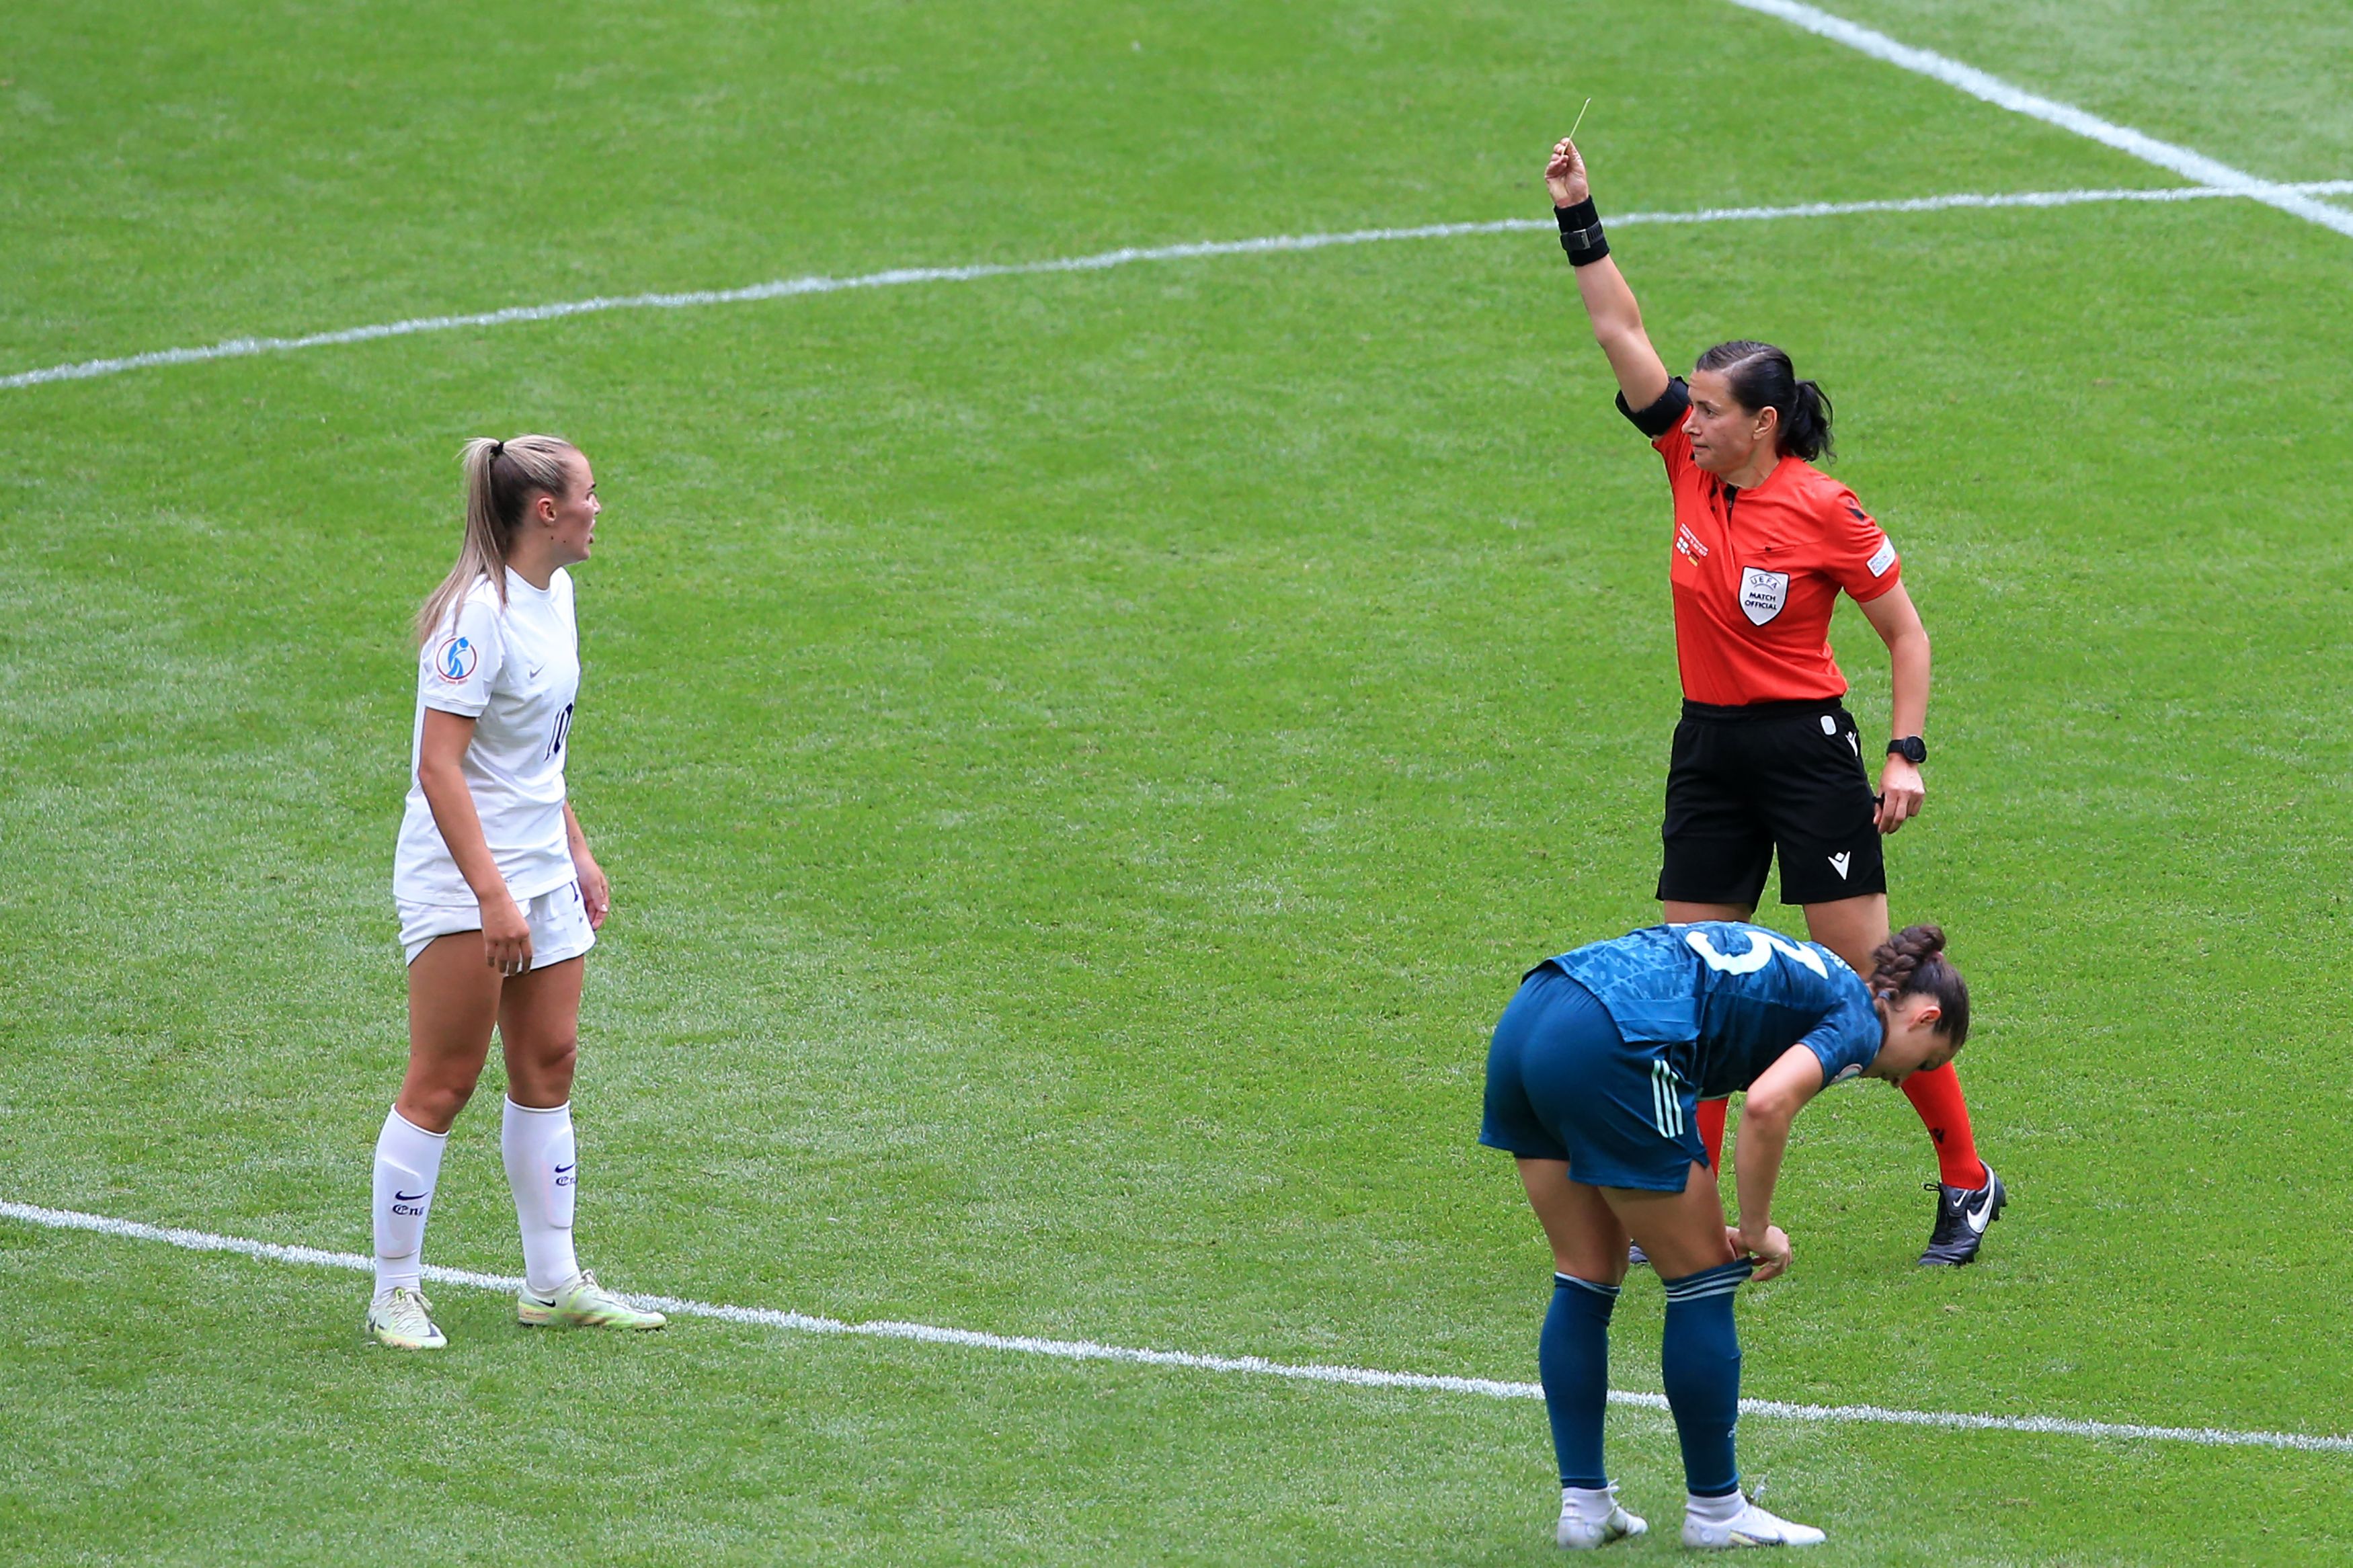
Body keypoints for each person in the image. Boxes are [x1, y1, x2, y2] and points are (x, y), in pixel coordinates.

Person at [1544, 133, 2003, 1265]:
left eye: (1706, 409)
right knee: (1685, 989)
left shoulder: (1827, 509)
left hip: (1806, 752)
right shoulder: (1686, 471)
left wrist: (1904, 751)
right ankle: (1679, 1208)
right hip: (1709, 750)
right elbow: (1619, 330)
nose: (1684, 420)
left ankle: (1968, 1177)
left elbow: (1906, 630)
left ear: (1762, 420)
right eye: (1686, 406)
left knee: (1870, 986)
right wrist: (1579, 213)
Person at [1482, 920, 1970, 1549]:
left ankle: (1585, 1508)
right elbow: (1769, 1103)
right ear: (1924, 1017)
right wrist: (1760, 1227)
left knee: (1586, 1273)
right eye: (1926, 1061)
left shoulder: (1817, 969)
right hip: (1618, 1036)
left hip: (1535, 1009)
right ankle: (1716, 1511)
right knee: (1704, 1279)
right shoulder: (1860, 1014)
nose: (1905, 1079)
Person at [364, 434, 667, 1350]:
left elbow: (537, 747)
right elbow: (441, 768)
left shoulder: (557, 593)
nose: (598, 510)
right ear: (546, 511)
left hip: (538, 868)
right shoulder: (476, 618)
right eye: (590, 495)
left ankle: (552, 1282)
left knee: (550, 1064)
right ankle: (393, 1293)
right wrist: (492, 894)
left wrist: (574, 848)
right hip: (465, 880)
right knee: (445, 1081)